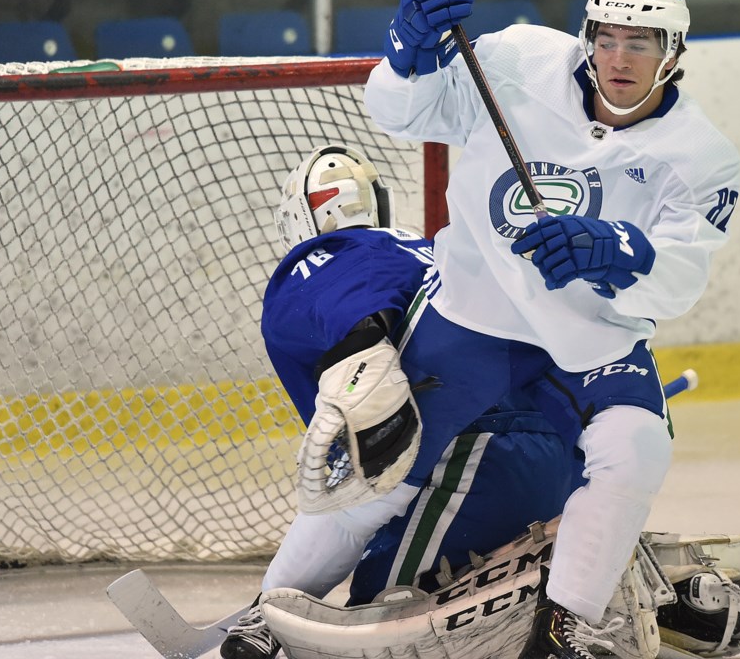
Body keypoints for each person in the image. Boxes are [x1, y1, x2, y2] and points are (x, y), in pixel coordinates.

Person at [360, 0, 740, 659]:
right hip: (478, 334)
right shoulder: (521, 64)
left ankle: (564, 628)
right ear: (587, 38)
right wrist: (406, 48)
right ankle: (281, 602)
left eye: (643, 43)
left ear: (675, 53)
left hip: (587, 352)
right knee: (386, 454)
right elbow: (398, 109)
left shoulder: (702, 155)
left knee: (631, 454)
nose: (621, 58)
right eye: (609, 38)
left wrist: (621, 251)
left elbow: (680, 281)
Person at [220, 144, 579, 659]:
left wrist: (363, 345)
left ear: (301, 216)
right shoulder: (430, 250)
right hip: (552, 460)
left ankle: (268, 615)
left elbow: (355, 305)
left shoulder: (328, 254)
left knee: (375, 623)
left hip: (470, 456)